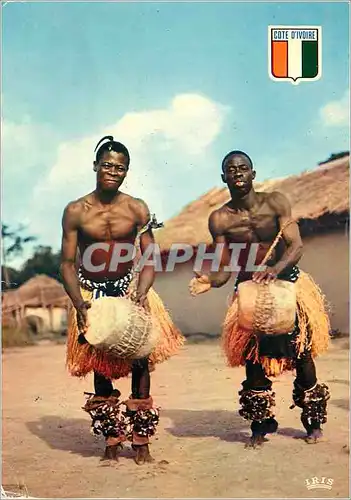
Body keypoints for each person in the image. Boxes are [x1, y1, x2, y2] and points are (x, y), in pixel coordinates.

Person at [189, 150, 330, 448]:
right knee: (253, 359)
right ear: (223, 177)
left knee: (302, 353)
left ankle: (312, 420)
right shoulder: (220, 219)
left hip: (288, 284)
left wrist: (275, 268)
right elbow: (225, 266)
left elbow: (296, 245)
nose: (237, 172)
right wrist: (210, 281)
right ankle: (260, 424)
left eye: (243, 168)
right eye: (231, 169)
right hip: (249, 292)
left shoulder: (275, 202)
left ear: (253, 174)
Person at [60, 135, 184, 464]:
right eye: (108, 166)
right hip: (92, 294)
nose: (114, 172)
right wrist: (79, 304)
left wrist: (142, 292)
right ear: (95, 166)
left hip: (130, 289)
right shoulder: (76, 211)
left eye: (121, 168)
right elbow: (66, 264)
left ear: (127, 171)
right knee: (101, 364)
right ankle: (112, 438)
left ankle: (141, 440)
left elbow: (151, 256)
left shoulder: (136, 208)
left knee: (140, 359)